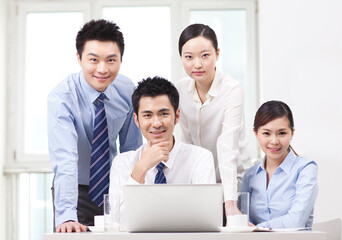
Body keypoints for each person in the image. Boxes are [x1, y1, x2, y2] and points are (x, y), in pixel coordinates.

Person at [47, 19, 142, 233]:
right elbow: (66, 159)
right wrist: (67, 215)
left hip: (114, 188)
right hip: (75, 191)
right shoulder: (61, 98)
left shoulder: (127, 91)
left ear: (120, 60)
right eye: (93, 60)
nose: (102, 69)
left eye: (111, 60)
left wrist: (135, 198)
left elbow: (132, 150)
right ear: (79, 58)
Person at [176, 23, 252, 223]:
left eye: (205, 55)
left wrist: (229, 202)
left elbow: (227, 146)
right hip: (200, 183)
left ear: (217, 54)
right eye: (189, 57)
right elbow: (185, 141)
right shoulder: (180, 89)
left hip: (233, 180)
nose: (197, 64)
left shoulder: (232, 90)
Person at [109, 76, 216, 218]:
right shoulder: (122, 163)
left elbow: (207, 215)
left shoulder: (200, 159)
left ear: (177, 116)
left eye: (163, 114)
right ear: (136, 120)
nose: (156, 123)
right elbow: (116, 220)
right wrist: (140, 169)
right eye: (147, 115)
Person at [241, 100, 318, 228]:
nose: (274, 141)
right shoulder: (250, 176)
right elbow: (243, 223)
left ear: (292, 133)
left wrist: (257, 229)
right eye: (266, 133)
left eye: (282, 133)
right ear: (256, 133)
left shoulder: (306, 168)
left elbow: (295, 222)